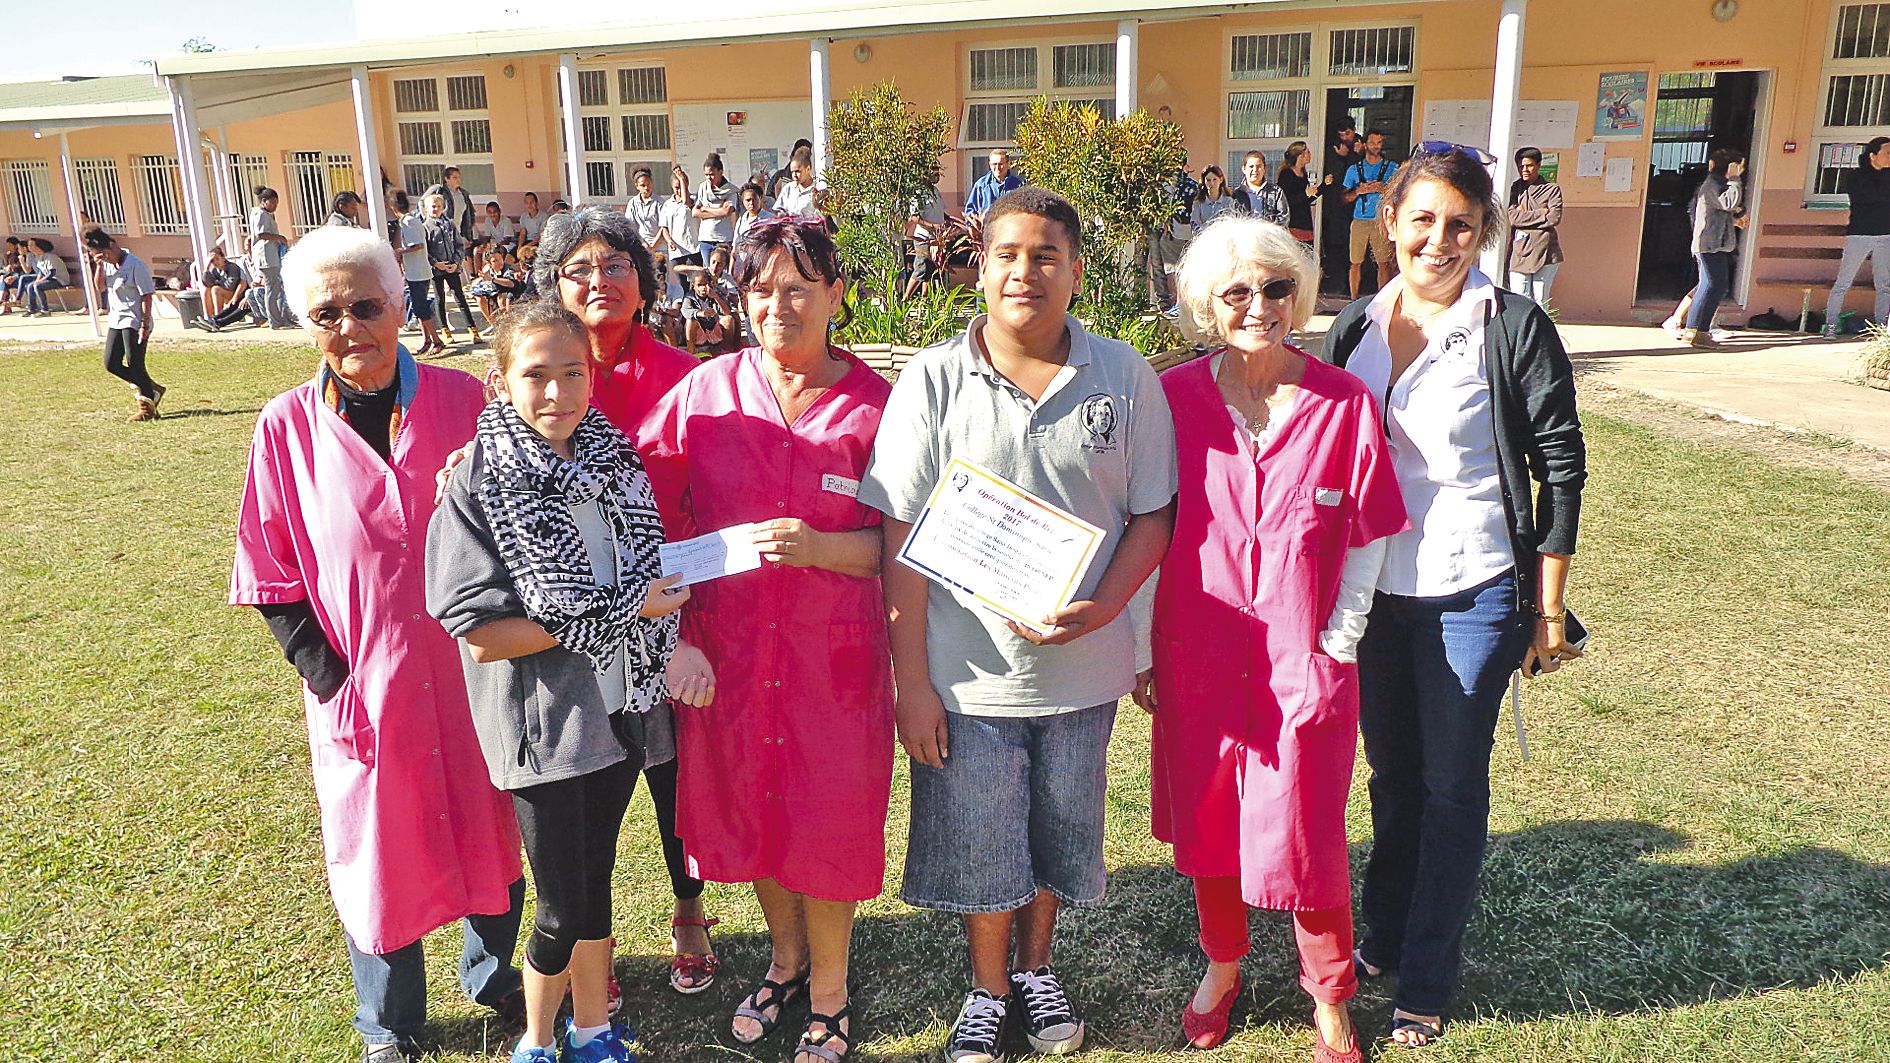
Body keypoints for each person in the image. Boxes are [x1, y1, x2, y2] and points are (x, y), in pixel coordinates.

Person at [859, 188, 1178, 1063]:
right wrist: (912, 683)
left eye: (1045, 255)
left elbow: (1154, 514)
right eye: (1006, 254)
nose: (1024, 272)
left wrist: (1105, 608)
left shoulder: (1125, 375)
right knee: (980, 837)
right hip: (965, 673)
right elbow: (899, 535)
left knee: (1059, 834)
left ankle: (1036, 969)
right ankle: (988, 987)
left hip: (1083, 669)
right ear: (980, 268)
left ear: (1075, 270)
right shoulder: (932, 379)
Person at [229, 225, 527, 1062]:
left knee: (490, 830)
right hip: (365, 687)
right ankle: (389, 1023)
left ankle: (492, 975)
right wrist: (332, 681)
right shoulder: (285, 427)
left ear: (400, 304)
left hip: (474, 673)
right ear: (306, 324)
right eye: (327, 313)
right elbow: (271, 573)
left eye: (365, 305)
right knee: (377, 855)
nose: (350, 326)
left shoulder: (468, 400)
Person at [1322, 143, 1587, 1048]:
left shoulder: (1510, 324)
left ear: (1484, 232)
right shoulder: (1355, 324)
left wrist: (1546, 608)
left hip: (1474, 589)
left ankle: (1428, 974)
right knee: (1391, 776)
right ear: (1390, 221)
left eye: (1461, 225)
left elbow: (1560, 466)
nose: (1439, 240)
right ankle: (1385, 933)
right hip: (1372, 594)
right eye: (1423, 219)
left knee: (1450, 788)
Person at [1142, 215, 1406, 1060]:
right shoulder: (1173, 400)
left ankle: (1330, 993)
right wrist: (1143, 647)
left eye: (1277, 286)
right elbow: (1148, 527)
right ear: (1206, 304)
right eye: (1237, 291)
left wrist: (1342, 636)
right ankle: (1222, 964)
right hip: (1197, 651)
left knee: (1308, 828)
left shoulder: (1343, 402)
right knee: (1211, 818)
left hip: (1304, 653)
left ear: (1300, 293)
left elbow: (1368, 530)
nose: (1259, 305)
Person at [642, 217, 894, 1063]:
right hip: (731, 654)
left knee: (826, 820)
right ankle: (784, 962)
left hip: (833, 662)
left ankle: (830, 991)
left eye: (798, 287)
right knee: (752, 811)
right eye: (759, 289)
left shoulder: (875, 407)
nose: (777, 304)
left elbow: (911, 545)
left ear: (835, 294)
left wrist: (822, 547)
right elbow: (635, 498)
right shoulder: (706, 393)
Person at [427, 300, 699, 1063]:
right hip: (542, 725)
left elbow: (641, 564)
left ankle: (591, 1031)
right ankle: (537, 1041)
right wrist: (628, 606)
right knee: (558, 906)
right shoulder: (481, 480)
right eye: (536, 374)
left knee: (596, 880)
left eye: (572, 373)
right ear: (499, 381)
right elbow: (482, 636)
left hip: (620, 704)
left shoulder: (612, 461)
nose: (557, 392)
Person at [524, 206, 720, 995]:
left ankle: (690, 909)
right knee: (583, 799)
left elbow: (710, 497)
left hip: (671, 615)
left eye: (616, 264)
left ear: (642, 280)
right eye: (578, 269)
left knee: (676, 782)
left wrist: (685, 624)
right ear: (553, 286)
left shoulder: (686, 376)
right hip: (574, 624)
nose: (599, 280)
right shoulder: (532, 370)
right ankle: (589, 939)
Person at [84, 230, 163, 422]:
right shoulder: (106, 264)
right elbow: (100, 287)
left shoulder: (135, 265)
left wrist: (144, 324)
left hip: (134, 320)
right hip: (116, 319)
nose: (105, 258)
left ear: (112, 245)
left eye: (105, 254)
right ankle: (152, 388)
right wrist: (99, 266)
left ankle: (147, 408)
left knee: (135, 363)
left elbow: (146, 296)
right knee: (111, 363)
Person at [1824, 136, 1890, 338]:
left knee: (1884, 285)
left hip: (1886, 236)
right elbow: (1871, 198)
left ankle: (1882, 330)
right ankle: (1831, 325)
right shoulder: (1856, 176)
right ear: (1873, 156)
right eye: (1887, 153)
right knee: (1843, 282)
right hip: (1859, 235)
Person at [1681, 148, 1746, 349]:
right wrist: (1735, 179)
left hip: (1714, 244)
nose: (1743, 170)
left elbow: (1718, 213)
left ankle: (1695, 330)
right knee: (1712, 286)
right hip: (1709, 245)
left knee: (1712, 285)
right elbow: (1728, 203)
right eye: (1740, 166)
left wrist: (1735, 220)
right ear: (1731, 167)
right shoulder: (1712, 185)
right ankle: (1697, 331)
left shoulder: (1716, 185)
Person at [1505, 147, 1564, 307]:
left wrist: (1525, 215)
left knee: (1540, 302)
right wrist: (1541, 213)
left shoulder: (1551, 189)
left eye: (1529, 165)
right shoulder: (1516, 189)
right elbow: (1514, 218)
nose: (1524, 170)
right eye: (1521, 166)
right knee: (1519, 300)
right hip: (1521, 252)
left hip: (1546, 252)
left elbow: (1554, 218)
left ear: (1538, 165)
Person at [1343, 132, 1399, 299]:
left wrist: (1384, 189)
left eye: (1379, 142)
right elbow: (1344, 198)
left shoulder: (1392, 168)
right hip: (1359, 220)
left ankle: (1382, 299)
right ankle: (1353, 299)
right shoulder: (1354, 169)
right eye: (1373, 142)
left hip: (1382, 221)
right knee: (1355, 262)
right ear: (1365, 144)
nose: (1376, 146)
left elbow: (1402, 194)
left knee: (1384, 263)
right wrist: (1358, 191)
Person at [395, 191, 446, 356]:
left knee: (421, 309)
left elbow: (418, 245)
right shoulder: (409, 220)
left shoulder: (408, 222)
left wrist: (401, 251)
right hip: (414, 272)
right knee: (418, 309)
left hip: (418, 273)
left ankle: (437, 341)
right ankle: (426, 340)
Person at [425, 192, 478, 342]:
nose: (436, 209)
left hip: (452, 267)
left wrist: (456, 262)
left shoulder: (449, 224)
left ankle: (472, 329)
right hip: (436, 269)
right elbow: (425, 250)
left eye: (438, 206)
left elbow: (459, 245)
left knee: (459, 297)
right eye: (433, 206)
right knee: (440, 298)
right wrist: (435, 263)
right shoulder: (425, 227)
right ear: (427, 208)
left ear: (443, 208)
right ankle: (444, 329)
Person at [1321, 119, 1365, 295]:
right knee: (1337, 246)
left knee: (1356, 251)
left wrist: (1357, 154)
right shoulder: (1335, 146)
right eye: (1341, 135)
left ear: (1354, 130)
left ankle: (1354, 287)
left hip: (1358, 207)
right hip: (1336, 206)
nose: (1345, 138)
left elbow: (1360, 173)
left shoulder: (1362, 145)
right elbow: (1335, 176)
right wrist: (1340, 157)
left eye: (1347, 134)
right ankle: (1339, 284)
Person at [1148, 166, 1198, 313]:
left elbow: (1189, 207)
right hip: (1156, 226)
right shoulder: (1156, 182)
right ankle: (1163, 302)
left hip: (1177, 230)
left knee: (1175, 267)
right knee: (1157, 265)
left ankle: (1177, 302)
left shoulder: (1188, 184)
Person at [249, 185, 295, 328]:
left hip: (271, 256)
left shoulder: (264, 214)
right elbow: (261, 234)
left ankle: (280, 318)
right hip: (266, 257)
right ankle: (275, 321)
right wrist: (279, 238)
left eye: (276, 203)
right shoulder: (260, 214)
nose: (275, 206)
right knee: (272, 290)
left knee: (276, 289)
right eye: (272, 202)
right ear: (263, 201)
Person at [192, 245, 260, 331]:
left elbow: (230, 286)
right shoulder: (215, 270)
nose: (215, 262)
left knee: (216, 290)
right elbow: (207, 283)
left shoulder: (232, 267)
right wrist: (206, 268)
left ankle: (217, 322)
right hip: (244, 295)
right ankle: (211, 320)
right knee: (207, 290)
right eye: (212, 260)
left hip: (241, 294)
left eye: (217, 259)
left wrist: (217, 283)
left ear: (223, 257)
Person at [693, 153, 740, 267]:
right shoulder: (703, 187)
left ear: (720, 172)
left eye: (712, 174)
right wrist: (718, 211)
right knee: (708, 271)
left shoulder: (730, 190)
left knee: (723, 271)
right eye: (706, 175)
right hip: (706, 238)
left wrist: (705, 209)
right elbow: (695, 212)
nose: (709, 178)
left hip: (723, 239)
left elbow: (726, 212)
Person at [679, 267, 736, 354]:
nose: (703, 288)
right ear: (693, 286)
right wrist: (700, 313)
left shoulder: (715, 293)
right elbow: (685, 311)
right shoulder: (689, 296)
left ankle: (727, 351)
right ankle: (692, 353)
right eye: (699, 285)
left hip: (714, 331)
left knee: (728, 319)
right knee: (690, 321)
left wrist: (716, 297)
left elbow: (727, 312)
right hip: (699, 333)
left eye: (705, 284)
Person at [425, 166, 480, 253]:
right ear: (447, 179)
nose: (458, 180)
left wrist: (467, 234)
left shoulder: (463, 194)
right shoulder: (440, 192)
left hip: (459, 234)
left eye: (459, 177)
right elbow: (423, 203)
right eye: (455, 177)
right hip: (443, 234)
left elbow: (470, 214)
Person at [469, 245, 522, 334]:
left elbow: (511, 283)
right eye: (495, 261)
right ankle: (494, 324)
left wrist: (493, 279)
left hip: (512, 293)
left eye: (500, 259)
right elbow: (474, 284)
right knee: (479, 298)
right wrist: (481, 279)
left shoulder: (509, 268)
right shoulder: (488, 270)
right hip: (494, 292)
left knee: (502, 298)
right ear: (489, 263)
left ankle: (507, 325)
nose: (499, 263)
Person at [1233, 150, 1290, 228]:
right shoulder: (1236, 194)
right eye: (1251, 166)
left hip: (1269, 235)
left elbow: (1283, 218)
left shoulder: (1276, 192)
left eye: (1259, 166)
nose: (1255, 170)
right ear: (1244, 169)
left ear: (1264, 169)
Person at [963, 149, 1023, 220]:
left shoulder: (1018, 185)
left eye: (1000, 164)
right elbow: (970, 212)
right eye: (994, 164)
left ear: (1008, 164)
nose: (997, 168)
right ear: (990, 165)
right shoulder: (981, 185)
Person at [659, 166, 701, 267]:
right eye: (676, 188)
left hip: (693, 249)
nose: (679, 190)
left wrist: (682, 179)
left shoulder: (694, 200)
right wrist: (669, 241)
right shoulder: (667, 204)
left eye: (681, 187)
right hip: (677, 251)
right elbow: (664, 227)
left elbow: (686, 202)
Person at [1278, 141, 1319, 247]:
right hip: (1293, 223)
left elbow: (1306, 200)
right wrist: (1306, 194)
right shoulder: (1287, 174)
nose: (1310, 155)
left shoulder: (1303, 174)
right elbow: (1285, 200)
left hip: (1305, 222)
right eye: (1308, 152)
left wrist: (1323, 187)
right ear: (1300, 156)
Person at [17, 237, 70, 317]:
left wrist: (40, 281)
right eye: (28, 245)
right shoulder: (38, 258)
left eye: (31, 245)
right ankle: (32, 309)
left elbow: (52, 273)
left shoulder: (51, 257)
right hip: (49, 279)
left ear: (39, 247)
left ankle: (45, 310)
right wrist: (37, 280)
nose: (29, 247)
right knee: (31, 285)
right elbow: (41, 272)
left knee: (37, 286)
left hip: (59, 280)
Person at [774, 149, 823, 220]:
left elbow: (822, 216)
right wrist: (781, 215)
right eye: (792, 172)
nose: (794, 175)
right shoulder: (788, 188)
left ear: (808, 169)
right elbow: (778, 210)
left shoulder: (818, 189)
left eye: (797, 171)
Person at [625, 168, 665, 250]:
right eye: (643, 185)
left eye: (648, 184)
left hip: (660, 248)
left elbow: (664, 226)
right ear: (637, 186)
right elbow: (631, 226)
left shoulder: (659, 202)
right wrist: (643, 243)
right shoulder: (632, 203)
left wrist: (653, 246)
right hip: (641, 247)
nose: (646, 188)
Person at [1191, 166, 1238, 232]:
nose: (1212, 183)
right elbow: (1194, 223)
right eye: (1208, 180)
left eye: (1215, 179)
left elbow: (1231, 224)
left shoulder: (1229, 202)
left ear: (1221, 180)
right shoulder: (1198, 203)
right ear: (1204, 182)